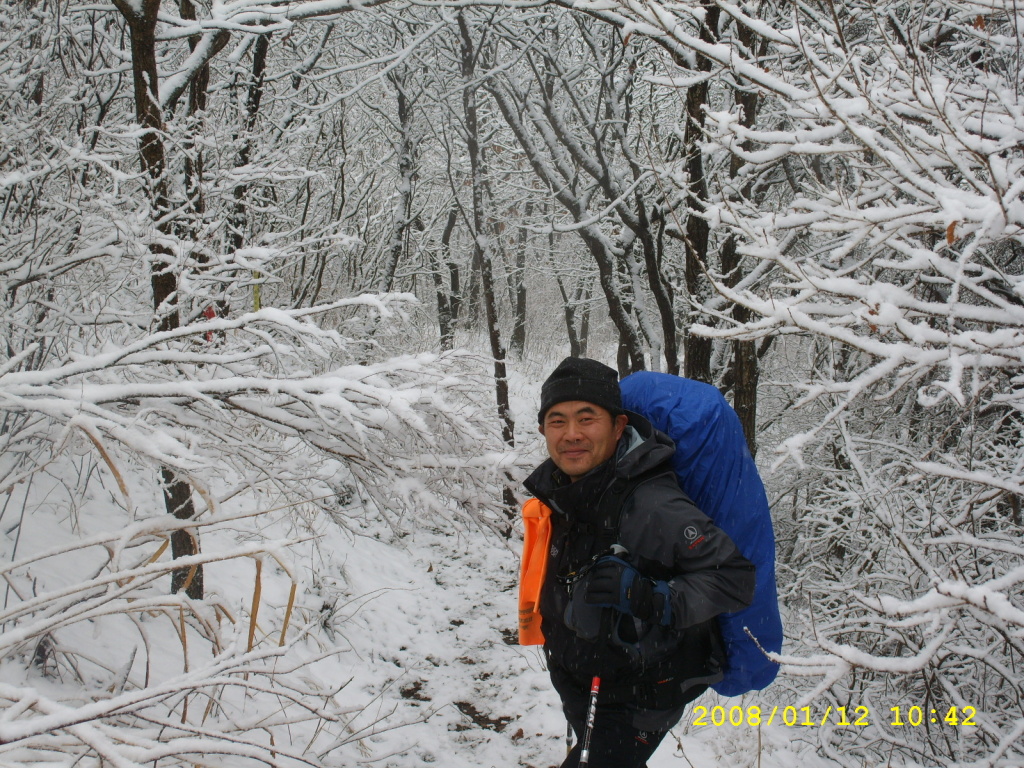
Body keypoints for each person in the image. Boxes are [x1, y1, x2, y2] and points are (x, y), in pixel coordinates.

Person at [519, 357, 756, 768]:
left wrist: (652, 598)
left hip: (636, 699)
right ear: (543, 430)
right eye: (557, 421)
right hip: (581, 679)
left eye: (586, 418)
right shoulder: (564, 490)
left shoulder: (652, 504)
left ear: (618, 426)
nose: (571, 434)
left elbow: (734, 578)